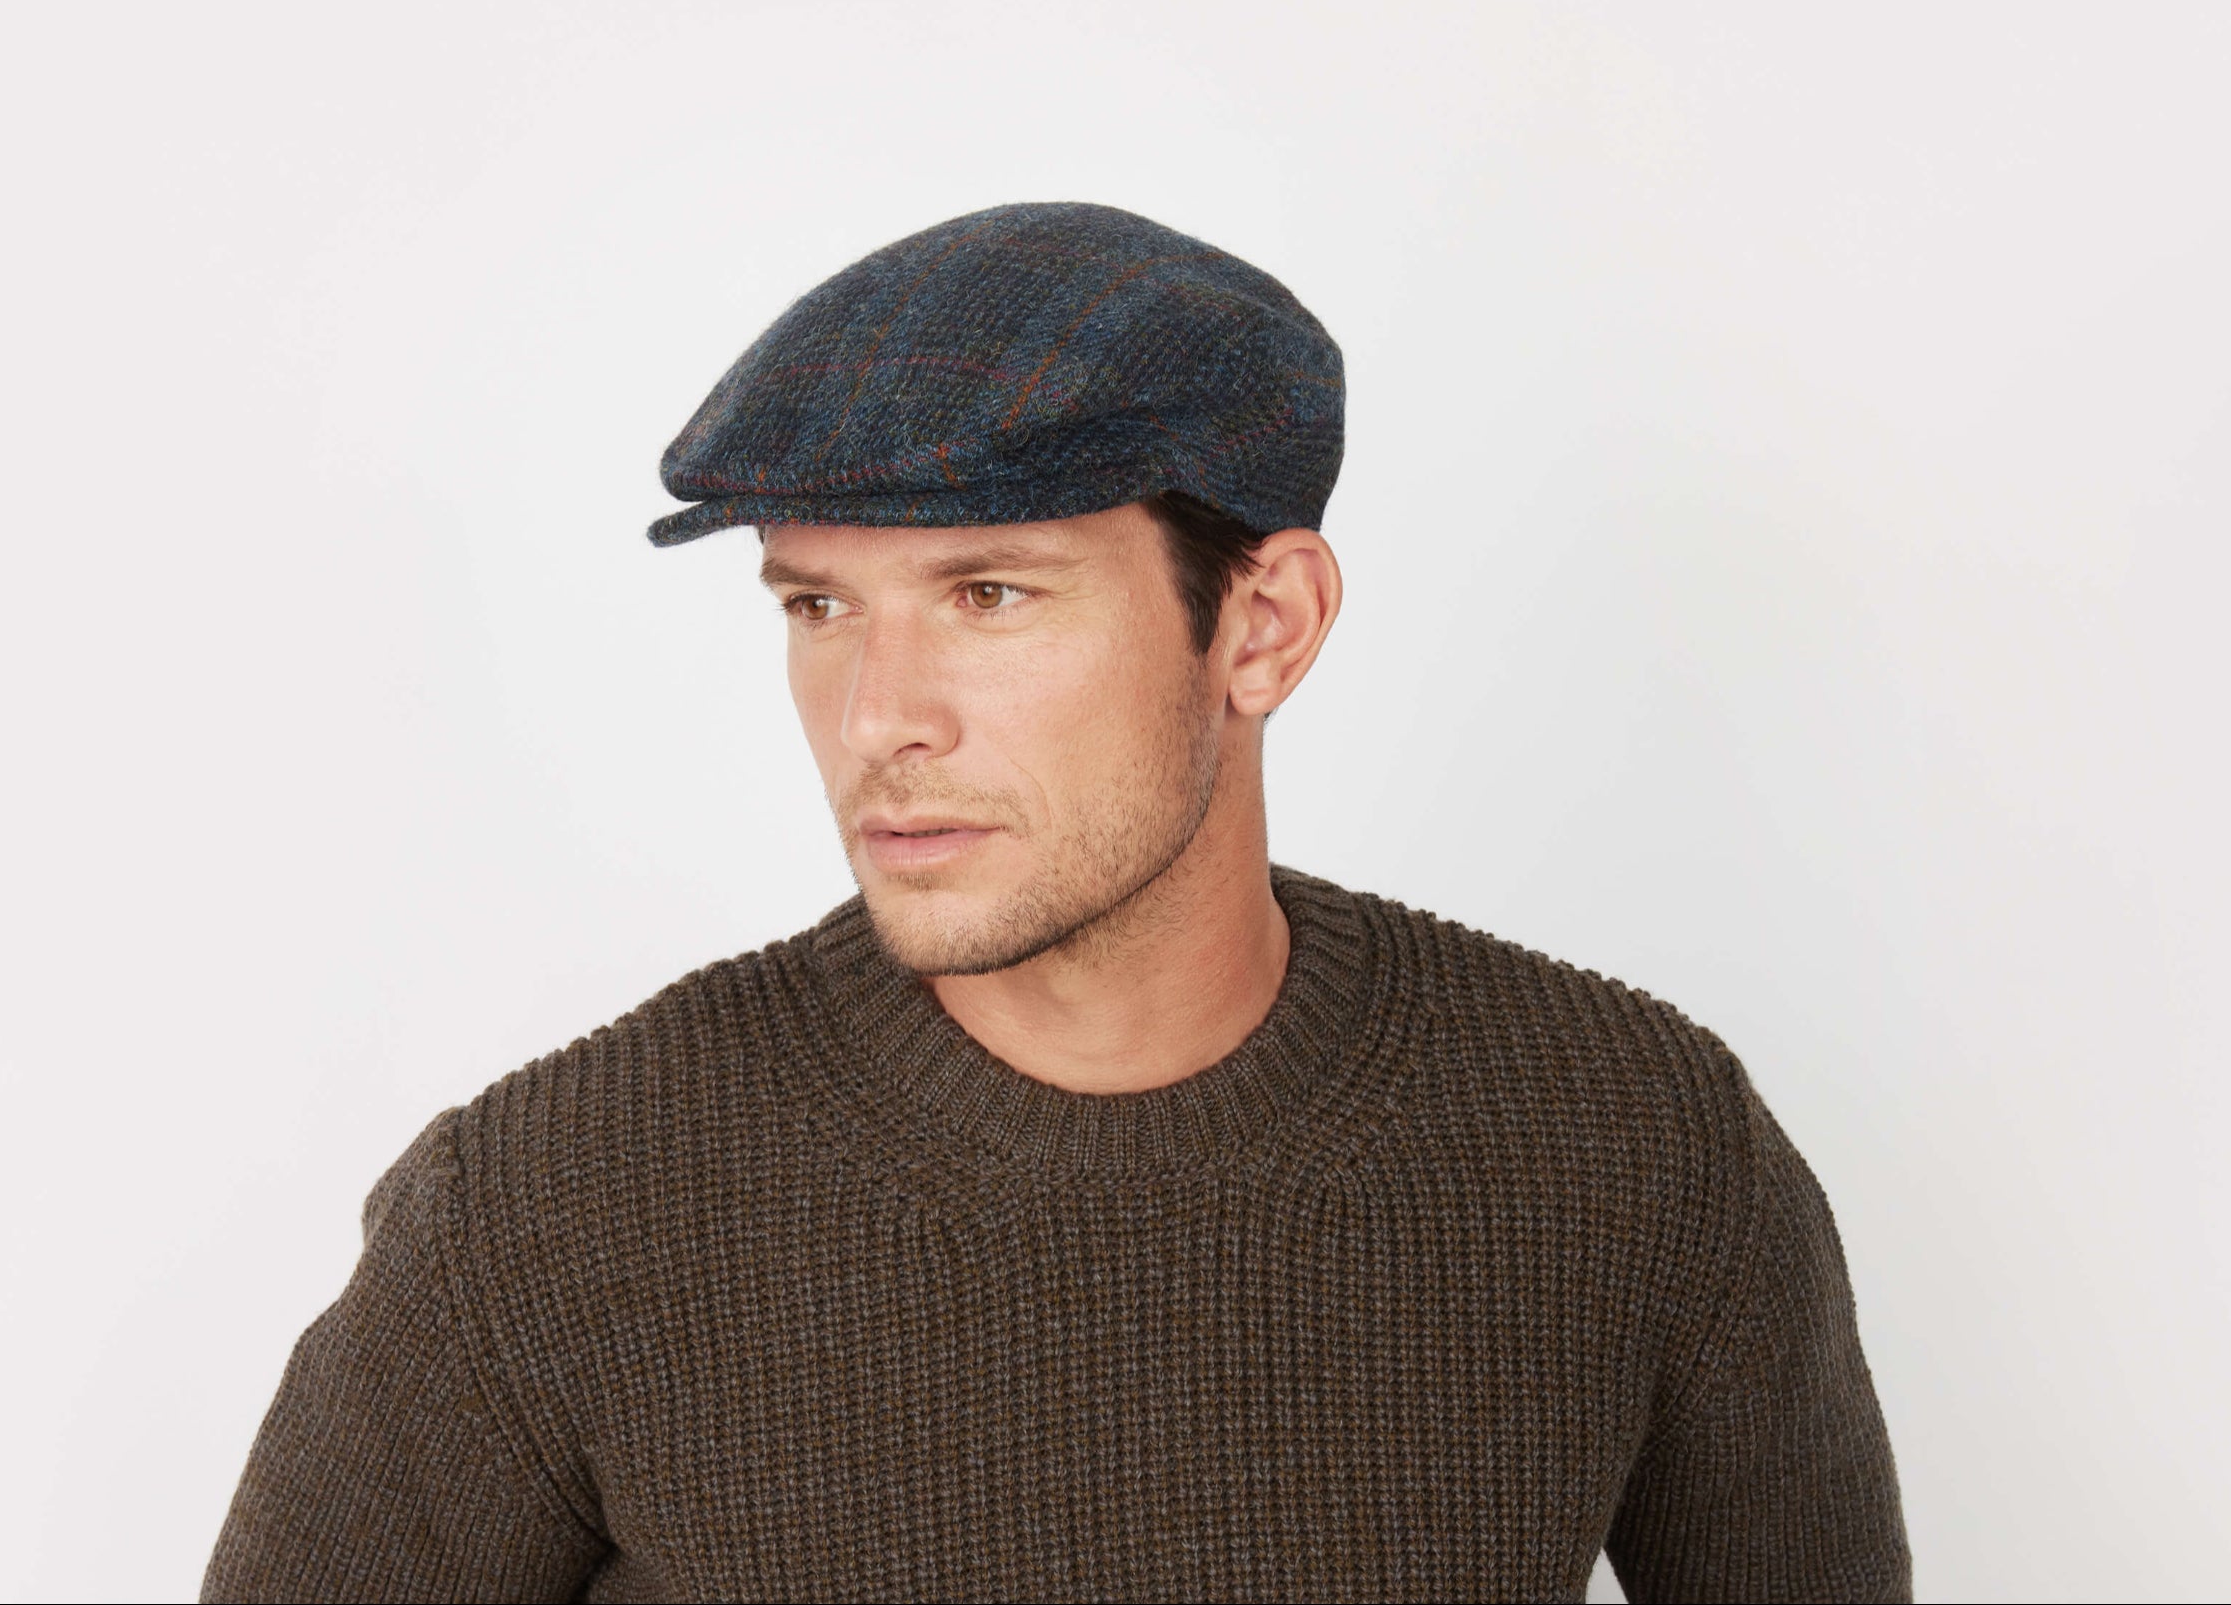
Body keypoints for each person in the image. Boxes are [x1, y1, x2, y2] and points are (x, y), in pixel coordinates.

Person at [201, 201, 1911, 1602]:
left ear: (1262, 626)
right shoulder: (549, 1210)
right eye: (816, 609)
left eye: (990, 592)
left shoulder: (1637, 1144)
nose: (880, 716)